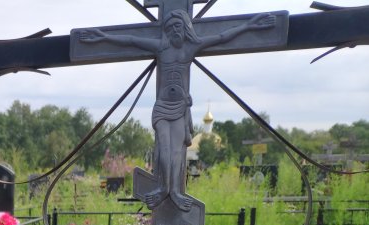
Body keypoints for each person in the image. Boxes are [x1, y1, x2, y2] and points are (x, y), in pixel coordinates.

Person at [79, 10, 275, 211]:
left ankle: (175, 192)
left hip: (180, 108)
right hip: (162, 107)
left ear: (185, 27)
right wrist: (102, 37)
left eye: (178, 26)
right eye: (170, 27)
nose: (174, 30)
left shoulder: (190, 48)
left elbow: (221, 37)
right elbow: (131, 40)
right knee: (164, 150)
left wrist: (249, 26)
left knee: (176, 153)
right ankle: (164, 188)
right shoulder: (160, 48)